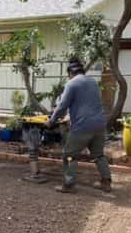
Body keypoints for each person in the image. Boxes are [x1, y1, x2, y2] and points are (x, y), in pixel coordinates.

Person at [47, 57, 113, 193]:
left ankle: (69, 185)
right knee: (98, 155)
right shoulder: (93, 82)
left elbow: (62, 106)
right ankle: (106, 182)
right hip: (100, 124)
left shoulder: (72, 84)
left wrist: (52, 121)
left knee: (69, 155)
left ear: (70, 73)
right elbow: (87, 103)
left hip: (83, 127)